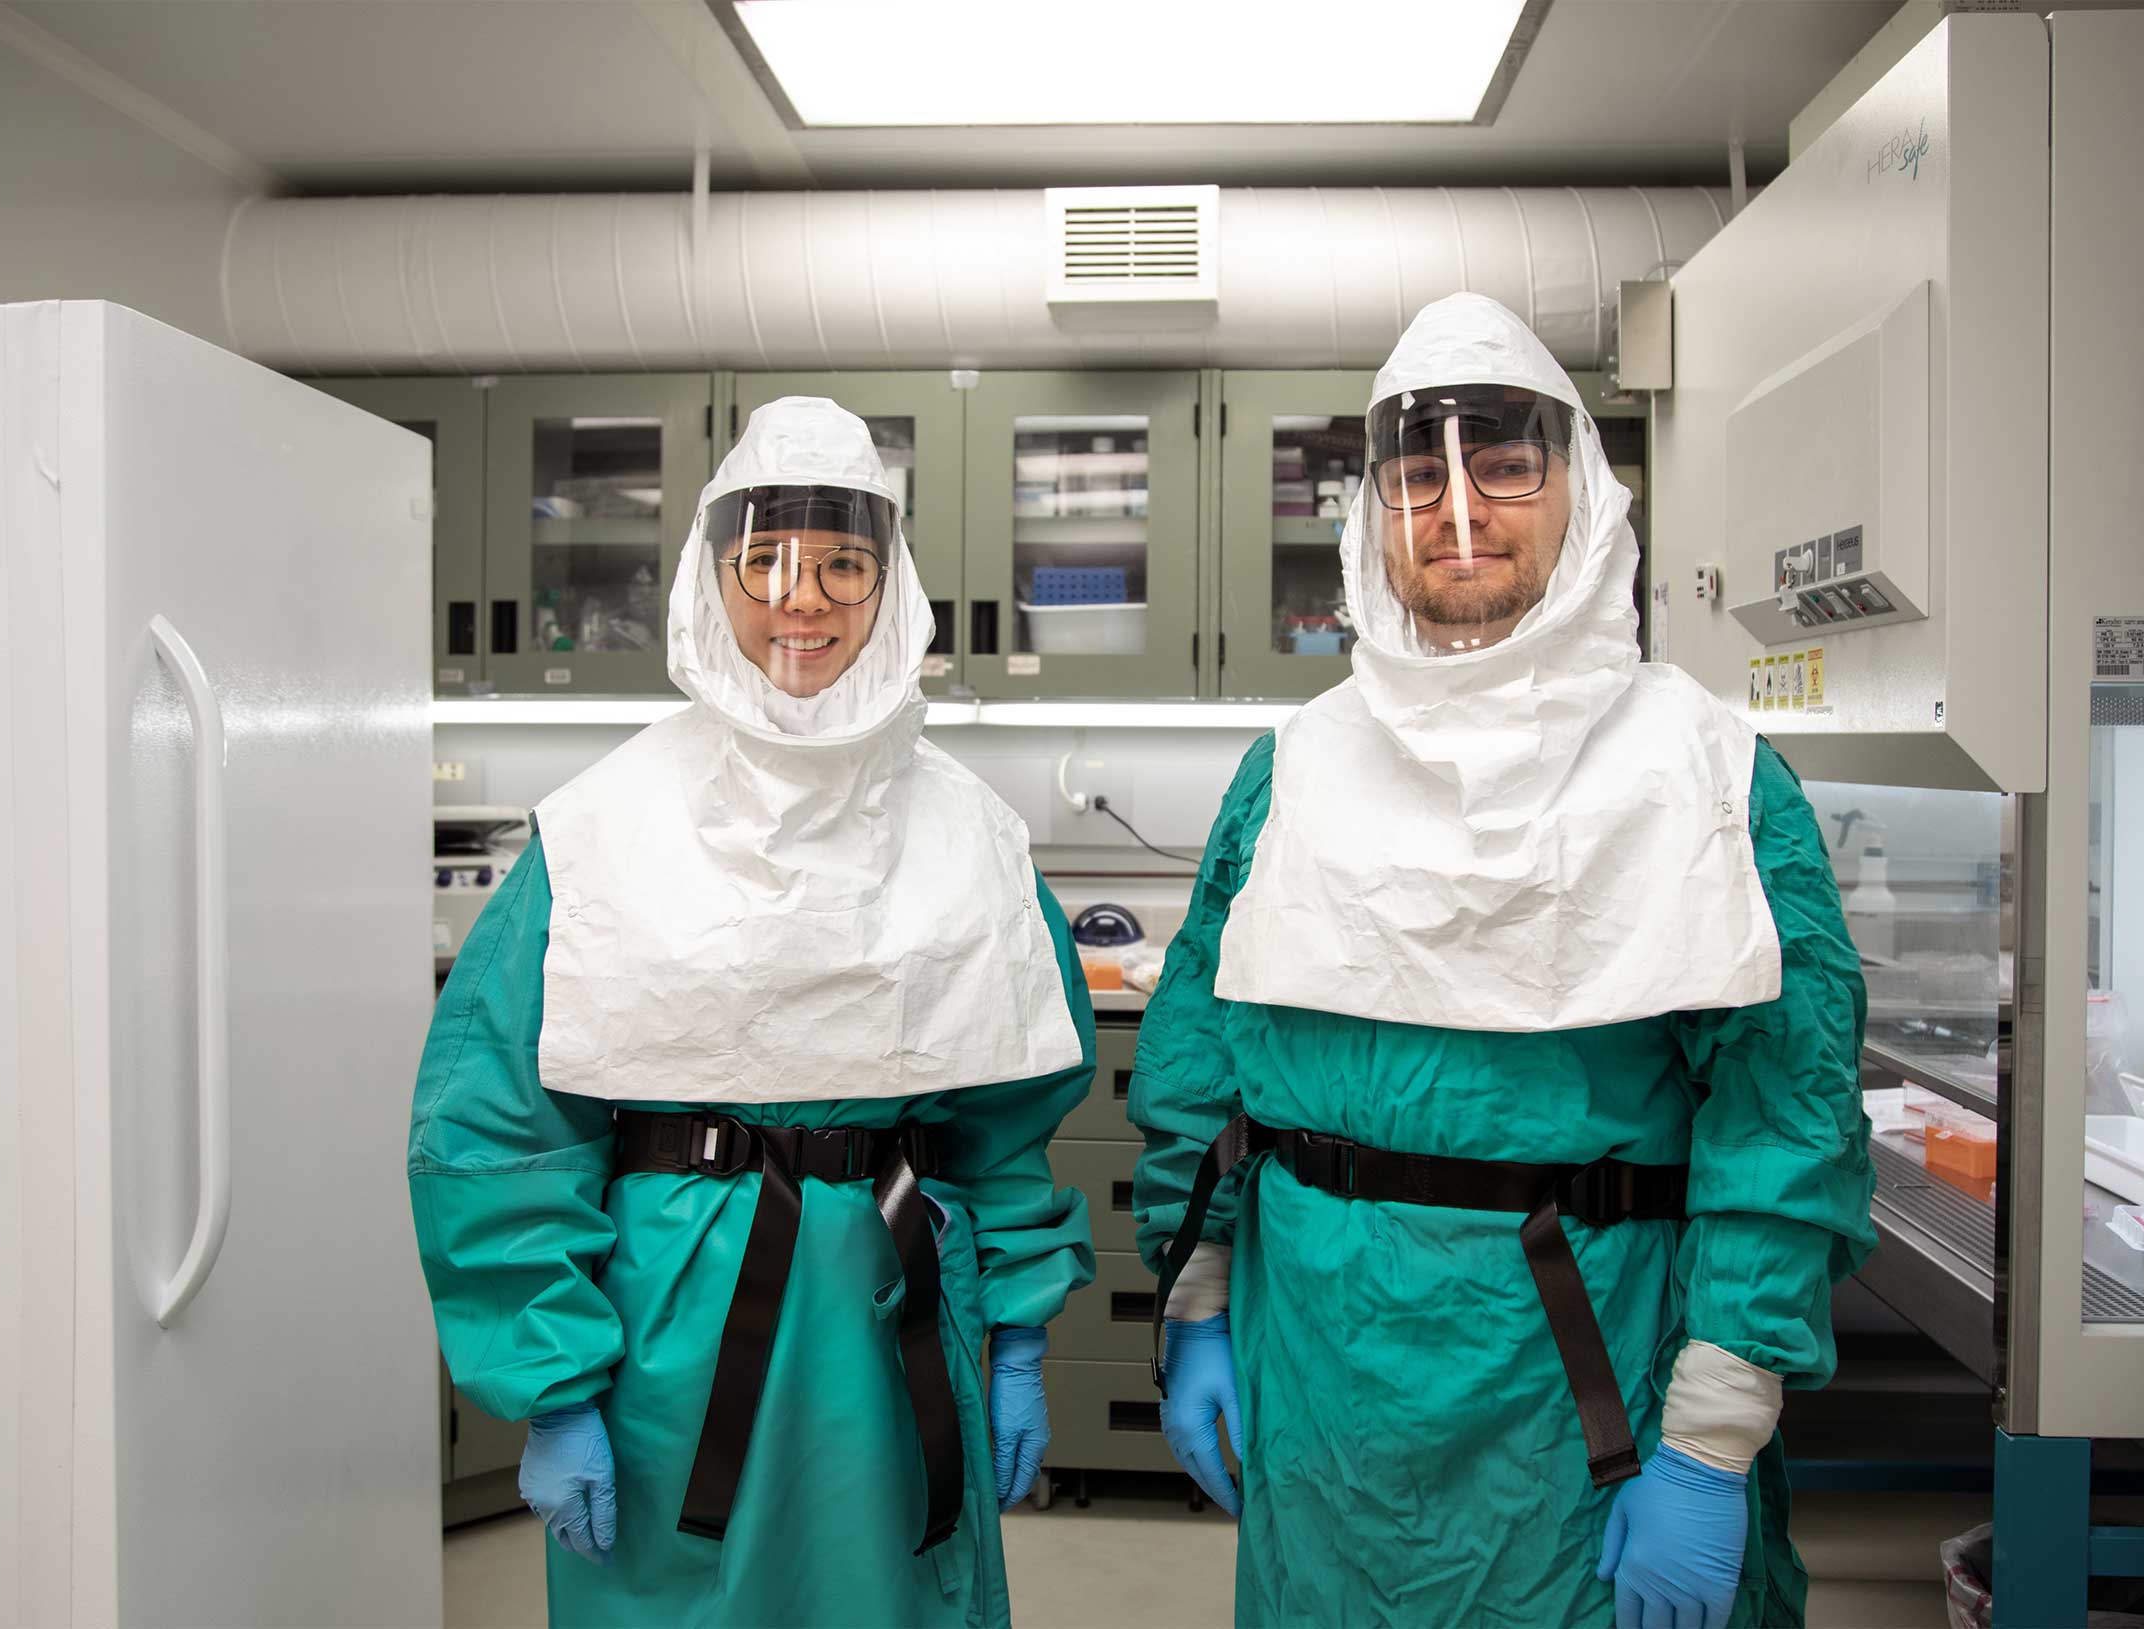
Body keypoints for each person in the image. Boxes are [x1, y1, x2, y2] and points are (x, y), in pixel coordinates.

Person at [1131, 294, 1873, 1629]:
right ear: (1373, 513)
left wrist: (1709, 1443)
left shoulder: (1708, 783)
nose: (1460, 509)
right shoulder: (1289, 776)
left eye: (1505, 463)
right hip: (1323, 1386)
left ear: (1578, 486)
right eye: (1420, 471)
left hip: (1582, 1412)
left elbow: (1783, 1127)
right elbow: (1200, 1061)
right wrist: (1194, 1301)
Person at [409, 397, 1097, 1627]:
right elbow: (500, 1126)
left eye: (846, 564)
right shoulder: (603, 828)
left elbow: (1007, 1124)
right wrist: (557, 1382)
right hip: (675, 1323)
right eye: (765, 561)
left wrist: (1023, 1337)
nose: (806, 599)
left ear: (893, 590)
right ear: (709, 582)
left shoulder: (970, 836)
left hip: (896, 1321)